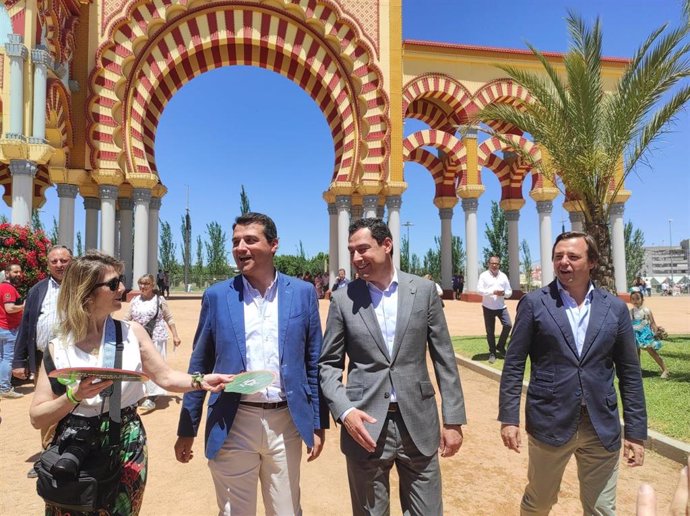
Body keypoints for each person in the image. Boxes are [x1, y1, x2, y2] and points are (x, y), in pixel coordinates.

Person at [29, 251, 231, 516]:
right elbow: (37, 417)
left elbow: (165, 377)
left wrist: (201, 380)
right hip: (75, 443)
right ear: (86, 293)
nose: (123, 288)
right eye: (113, 284)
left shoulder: (132, 332)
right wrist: (73, 396)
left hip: (126, 438)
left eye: (120, 280)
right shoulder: (58, 346)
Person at [175, 212, 328, 515]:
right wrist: (187, 427)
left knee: (286, 510)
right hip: (232, 419)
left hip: (285, 422)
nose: (240, 247)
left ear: (274, 245)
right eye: (235, 242)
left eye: (250, 240)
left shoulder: (301, 293)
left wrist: (317, 422)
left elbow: (314, 362)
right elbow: (200, 362)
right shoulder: (218, 296)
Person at [319, 217, 466, 516]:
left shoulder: (423, 291)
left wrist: (453, 420)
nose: (357, 258)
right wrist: (345, 412)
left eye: (363, 249)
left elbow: (444, 358)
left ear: (387, 245)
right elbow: (328, 365)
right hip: (365, 427)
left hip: (419, 423)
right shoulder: (343, 298)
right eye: (352, 251)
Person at [499, 231, 647, 516]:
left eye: (573, 256)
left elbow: (630, 373)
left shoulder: (615, 309)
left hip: (601, 424)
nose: (563, 262)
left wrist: (636, 432)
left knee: (602, 507)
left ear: (591, 261)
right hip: (550, 421)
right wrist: (509, 418)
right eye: (558, 257)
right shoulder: (534, 303)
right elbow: (514, 363)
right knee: (539, 502)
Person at [12, 245, 72, 477]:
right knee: (47, 407)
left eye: (63, 261)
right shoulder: (37, 290)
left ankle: (72, 452)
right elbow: (26, 326)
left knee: (75, 403)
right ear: (48, 264)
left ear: (71, 262)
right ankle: (48, 455)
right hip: (44, 359)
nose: (59, 265)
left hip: (74, 357)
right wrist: (19, 360)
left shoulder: (81, 288)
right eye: (54, 261)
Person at [124, 274, 182, 413]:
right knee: (138, 366)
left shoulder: (159, 300)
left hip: (157, 337)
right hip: (138, 338)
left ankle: (152, 396)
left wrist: (175, 335)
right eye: (141, 284)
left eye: (146, 284)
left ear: (152, 285)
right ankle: (139, 393)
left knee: (155, 366)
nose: (143, 287)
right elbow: (127, 318)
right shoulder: (135, 300)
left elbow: (169, 318)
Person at [477, 256, 512, 364]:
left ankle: (500, 346)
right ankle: (492, 353)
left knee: (508, 325)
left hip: (501, 307)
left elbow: (509, 292)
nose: (494, 265)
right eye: (492, 263)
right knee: (490, 331)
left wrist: (503, 294)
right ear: (488, 264)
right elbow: (479, 290)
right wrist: (492, 292)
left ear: (499, 264)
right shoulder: (483, 276)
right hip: (488, 307)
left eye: (496, 263)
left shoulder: (503, 276)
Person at [629, 289, 669, 379]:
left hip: (646, 335)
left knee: (652, 352)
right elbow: (629, 324)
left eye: (638, 298)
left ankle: (665, 369)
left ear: (642, 300)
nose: (635, 301)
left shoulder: (646, 310)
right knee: (636, 353)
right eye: (633, 299)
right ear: (630, 300)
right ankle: (638, 371)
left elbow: (652, 323)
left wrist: (656, 333)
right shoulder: (630, 312)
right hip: (635, 334)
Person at [0, 263, 25, 399]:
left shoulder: (2, 287)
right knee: (8, 360)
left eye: (20, 272)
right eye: (15, 272)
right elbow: (9, 308)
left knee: (1, 359)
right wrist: (24, 306)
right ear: (7, 273)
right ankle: (4, 389)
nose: (18, 274)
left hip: (2, 328)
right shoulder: (8, 288)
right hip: (8, 329)